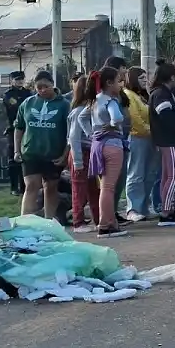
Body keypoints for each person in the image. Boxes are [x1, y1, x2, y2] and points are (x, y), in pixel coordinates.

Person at [13, 71, 69, 220]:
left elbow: (70, 133)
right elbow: (19, 127)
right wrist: (16, 150)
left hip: (53, 154)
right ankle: (25, 221)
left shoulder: (64, 105)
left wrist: (65, 155)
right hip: (31, 152)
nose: (42, 90)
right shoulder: (28, 103)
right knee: (31, 185)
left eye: (46, 86)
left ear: (52, 85)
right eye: (39, 87)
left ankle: (48, 220)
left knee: (50, 187)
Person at [87, 67, 130, 237]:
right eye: (119, 81)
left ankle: (108, 223)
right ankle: (106, 225)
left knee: (105, 187)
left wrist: (92, 132)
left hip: (97, 145)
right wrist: (112, 125)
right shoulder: (111, 101)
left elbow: (82, 117)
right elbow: (118, 118)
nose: (121, 84)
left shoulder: (95, 100)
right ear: (109, 83)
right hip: (112, 143)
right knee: (108, 188)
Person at [148, 61, 175, 226]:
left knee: (168, 176)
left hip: (167, 140)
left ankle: (168, 209)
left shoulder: (162, 93)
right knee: (174, 176)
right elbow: (166, 116)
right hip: (170, 141)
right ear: (172, 77)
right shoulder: (161, 94)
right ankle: (166, 212)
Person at [121, 67, 157, 222]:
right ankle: (132, 208)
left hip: (149, 138)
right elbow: (135, 119)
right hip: (137, 138)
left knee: (149, 174)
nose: (145, 81)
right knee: (136, 173)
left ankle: (143, 207)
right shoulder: (128, 95)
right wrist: (151, 130)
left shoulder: (142, 96)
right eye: (141, 78)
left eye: (145, 77)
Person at [67, 76, 100, 233]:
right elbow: (74, 138)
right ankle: (78, 222)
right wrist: (78, 162)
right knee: (79, 189)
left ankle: (98, 219)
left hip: (90, 153)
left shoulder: (90, 109)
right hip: (80, 154)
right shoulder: (79, 111)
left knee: (94, 189)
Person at [2, 71, 33, 195]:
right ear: (12, 80)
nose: (20, 81)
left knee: (25, 157)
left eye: (21, 79)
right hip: (13, 128)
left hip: (27, 128)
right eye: (17, 79)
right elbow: (15, 107)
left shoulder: (27, 93)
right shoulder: (9, 95)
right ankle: (14, 187)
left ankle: (24, 186)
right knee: (13, 159)